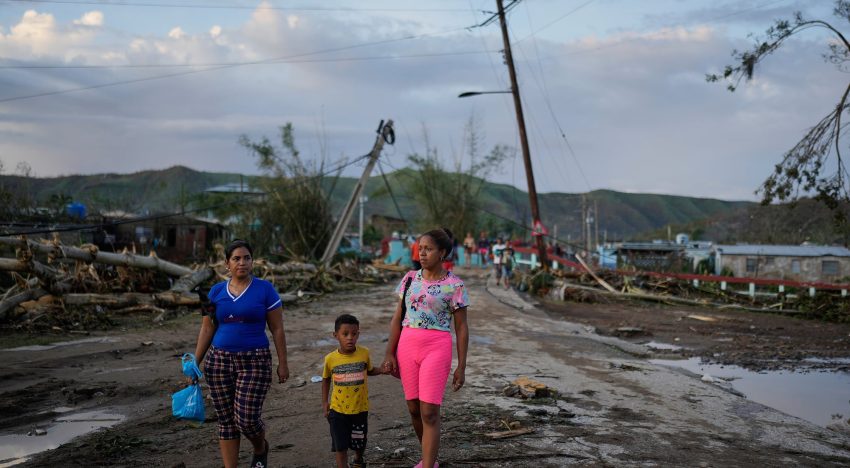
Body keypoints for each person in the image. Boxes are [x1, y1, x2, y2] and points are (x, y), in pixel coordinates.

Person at [193, 239, 289, 468]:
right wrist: (195, 364)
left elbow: (277, 328)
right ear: (227, 263)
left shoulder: (265, 289)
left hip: (255, 361)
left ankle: (260, 447)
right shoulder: (214, 292)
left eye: (246, 258)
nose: (242, 262)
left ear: (252, 261)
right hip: (219, 362)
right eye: (236, 258)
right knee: (226, 422)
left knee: (246, 419)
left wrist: (283, 363)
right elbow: (207, 328)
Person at [382, 228, 470, 468]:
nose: (422, 253)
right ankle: (428, 457)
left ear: (442, 253)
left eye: (428, 249)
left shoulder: (455, 285)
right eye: (420, 248)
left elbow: (461, 328)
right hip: (407, 346)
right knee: (413, 408)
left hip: (437, 347)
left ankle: (428, 465)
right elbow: (397, 317)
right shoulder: (409, 279)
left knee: (429, 411)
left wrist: (461, 366)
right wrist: (390, 352)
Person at [322, 314, 384, 468]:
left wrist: (382, 370)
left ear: (358, 334)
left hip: (360, 408)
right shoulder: (330, 359)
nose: (350, 338)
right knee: (340, 444)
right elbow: (326, 379)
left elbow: (369, 370)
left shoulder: (364, 353)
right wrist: (325, 402)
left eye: (354, 334)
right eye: (345, 334)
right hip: (338, 410)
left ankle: (358, 459)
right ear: (336, 336)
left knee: (359, 441)